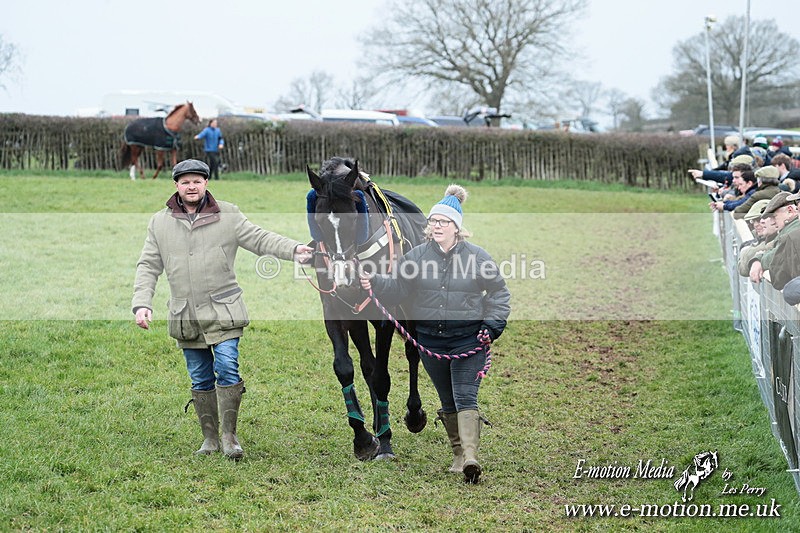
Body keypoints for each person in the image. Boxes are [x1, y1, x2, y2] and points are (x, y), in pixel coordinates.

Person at [132, 159, 314, 459]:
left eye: (197, 181)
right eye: (185, 181)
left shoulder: (228, 214)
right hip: (186, 317)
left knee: (227, 366)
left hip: (224, 310)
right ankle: (210, 439)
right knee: (200, 378)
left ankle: (229, 436)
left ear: (206, 183)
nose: (192, 186)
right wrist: (142, 303)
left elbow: (259, 238)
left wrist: (293, 250)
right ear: (176, 185)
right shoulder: (159, 222)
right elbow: (148, 266)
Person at [359, 185, 511, 484]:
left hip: (469, 339)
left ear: (457, 227)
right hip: (431, 343)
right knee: (447, 399)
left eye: (444, 222)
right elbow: (397, 289)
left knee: (465, 395)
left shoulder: (478, 257)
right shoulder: (415, 258)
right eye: (434, 222)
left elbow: (498, 293)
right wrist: (374, 281)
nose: (437, 226)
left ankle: (470, 457)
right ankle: (458, 456)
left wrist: (491, 326)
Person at [748, 191, 800, 289]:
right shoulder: (788, 230)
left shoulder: (792, 231)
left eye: (774, 216)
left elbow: (777, 258)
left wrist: (759, 259)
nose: (772, 222)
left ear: (790, 211)